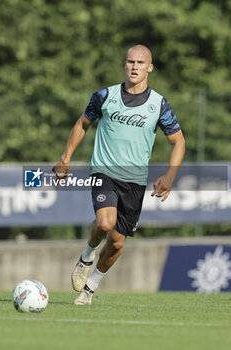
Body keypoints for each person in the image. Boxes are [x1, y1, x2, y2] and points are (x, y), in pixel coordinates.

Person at [53, 44, 185, 305]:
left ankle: (90, 288)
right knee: (104, 223)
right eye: (130, 62)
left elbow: (178, 142)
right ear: (125, 65)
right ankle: (87, 255)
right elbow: (82, 123)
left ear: (150, 67)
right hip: (104, 171)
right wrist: (65, 158)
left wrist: (170, 176)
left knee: (116, 243)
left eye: (140, 63)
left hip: (134, 182)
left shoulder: (159, 105)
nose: (134, 67)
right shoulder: (105, 96)